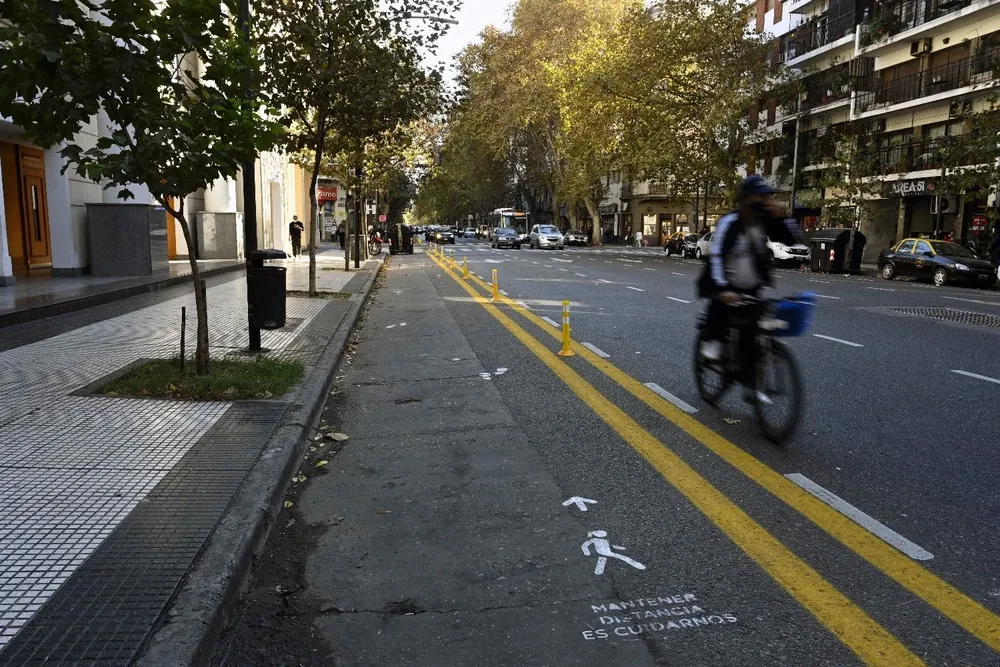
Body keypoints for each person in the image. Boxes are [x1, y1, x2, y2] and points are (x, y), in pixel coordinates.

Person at [697, 176, 803, 404]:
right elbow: (716, 255)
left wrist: (781, 217)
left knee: (755, 331)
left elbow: (792, 240)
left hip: (751, 285)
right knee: (721, 306)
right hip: (724, 280)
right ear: (746, 199)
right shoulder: (730, 222)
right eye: (759, 197)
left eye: (766, 197)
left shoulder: (764, 221)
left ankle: (752, 386)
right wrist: (722, 287)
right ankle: (713, 343)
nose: (764, 201)